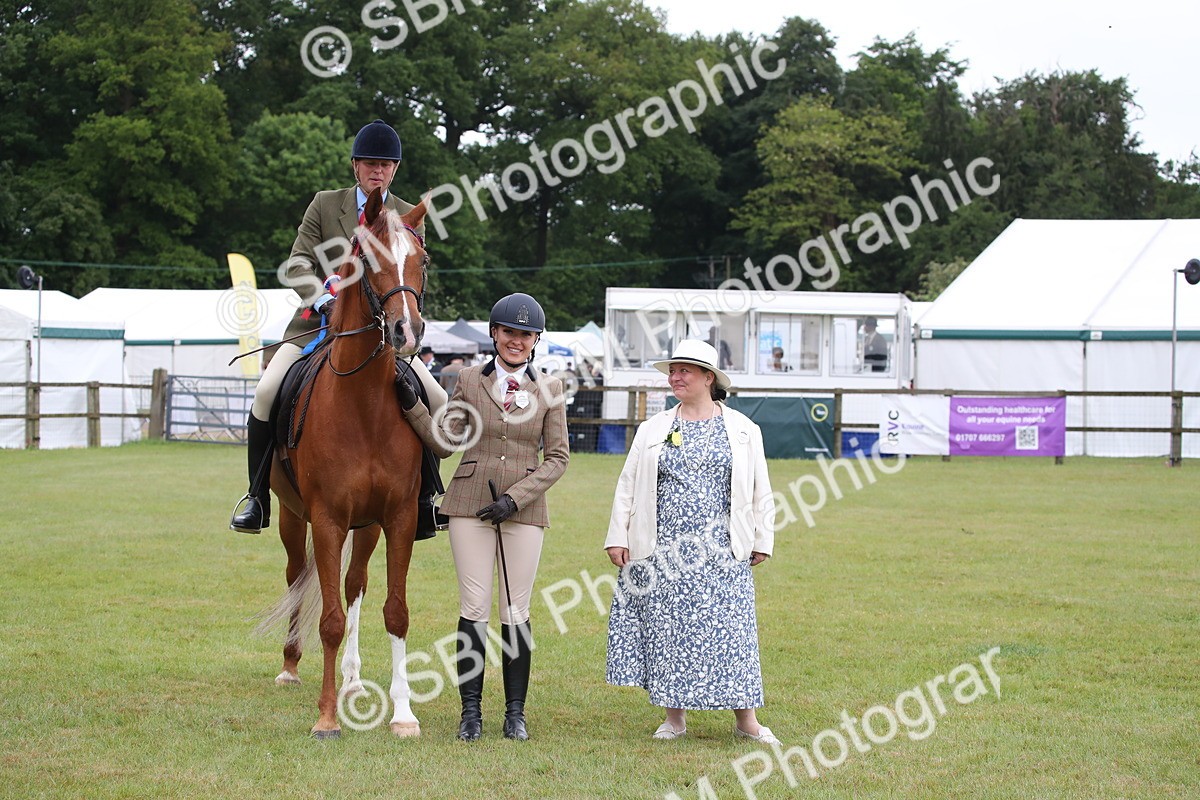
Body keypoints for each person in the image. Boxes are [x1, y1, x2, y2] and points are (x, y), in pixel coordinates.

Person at [229, 119, 448, 539]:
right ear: (355, 166)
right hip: (317, 325)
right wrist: (323, 299)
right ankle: (257, 497)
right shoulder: (326, 205)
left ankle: (424, 501)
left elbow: (410, 272)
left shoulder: (408, 215)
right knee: (266, 391)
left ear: (395, 169)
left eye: (386, 164)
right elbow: (298, 263)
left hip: (382, 337)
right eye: (370, 163)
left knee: (435, 398)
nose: (378, 171)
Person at [398, 292, 570, 742]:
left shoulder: (550, 389)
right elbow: (445, 441)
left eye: (525, 334)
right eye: (509, 332)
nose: (516, 340)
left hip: (523, 510)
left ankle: (515, 714)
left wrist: (515, 499)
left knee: (516, 609)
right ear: (494, 333)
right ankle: (470, 713)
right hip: (469, 503)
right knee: (473, 608)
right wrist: (413, 405)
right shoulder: (470, 380)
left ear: (536, 340)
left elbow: (557, 458)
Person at [604, 339, 777, 743]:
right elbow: (627, 485)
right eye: (672, 370)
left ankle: (747, 721)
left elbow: (760, 487)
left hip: (723, 549)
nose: (675, 377)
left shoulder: (743, 429)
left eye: (684, 370)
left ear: (708, 377)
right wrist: (617, 536)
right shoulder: (654, 428)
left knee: (733, 633)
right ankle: (674, 719)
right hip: (664, 550)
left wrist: (763, 538)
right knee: (669, 631)